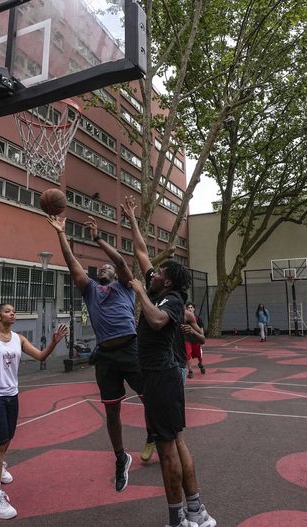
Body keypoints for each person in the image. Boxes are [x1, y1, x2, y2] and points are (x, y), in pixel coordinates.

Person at [123, 197, 216, 527]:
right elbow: (141, 251)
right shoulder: (159, 288)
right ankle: (196, 511)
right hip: (159, 375)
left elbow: (158, 320)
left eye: (159, 272)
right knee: (175, 440)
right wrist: (132, 218)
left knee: (166, 449)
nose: (154, 272)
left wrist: (139, 291)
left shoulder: (173, 299)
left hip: (163, 374)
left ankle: (178, 520)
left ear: (168, 281)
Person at [48, 214, 154, 490]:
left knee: (150, 399)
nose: (105, 268)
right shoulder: (91, 291)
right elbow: (72, 264)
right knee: (112, 410)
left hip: (131, 350)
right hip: (106, 357)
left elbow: (120, 262)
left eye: (108, 267)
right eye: (102, 267)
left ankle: (153, 433)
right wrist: (60, 233)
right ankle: (120, 457)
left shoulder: (125, 287)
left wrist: (97, 239)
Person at [0, 304, 68, 520]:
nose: (12, 313)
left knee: (6, 440)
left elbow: (41, 356)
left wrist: (54, 342)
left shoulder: (19, 339)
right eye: (7, 311)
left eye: (13, 311)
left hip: (11, 394)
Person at [184, 302, 206, 377]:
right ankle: (190, 371)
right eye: (188, 308)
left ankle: (200, 364)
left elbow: (201, 329)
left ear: (194, 309)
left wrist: (202, 337)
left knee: (199, 355)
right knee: (188, 354)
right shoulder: (184, 318)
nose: (190, 309)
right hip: (187, 339)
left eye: (191, 308)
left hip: (196, 339)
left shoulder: (198, 319)